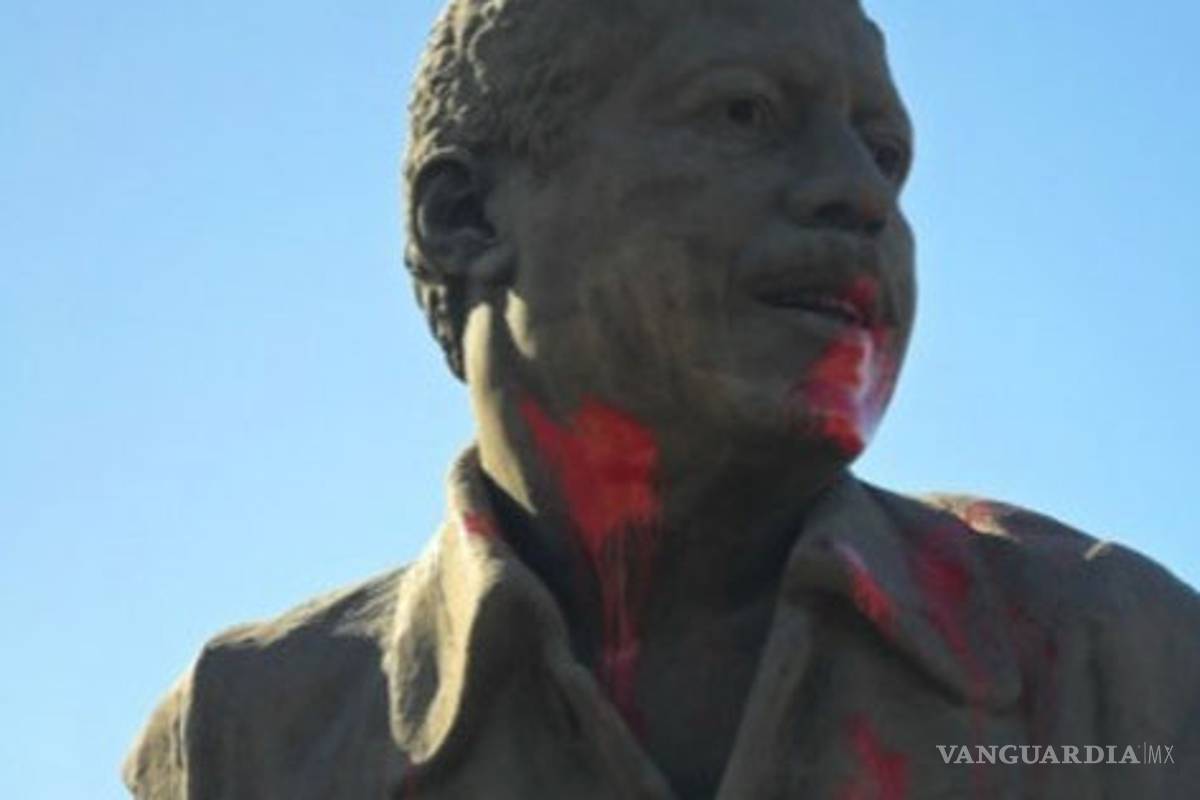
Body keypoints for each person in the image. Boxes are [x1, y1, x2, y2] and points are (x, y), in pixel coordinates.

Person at [123, 0, 1200, 797]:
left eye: (886, 153)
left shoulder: (1116, 662)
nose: (862, 193)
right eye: (744, 112)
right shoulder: (249, 741)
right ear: (467, 216)